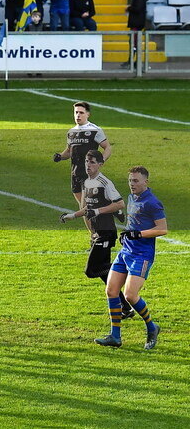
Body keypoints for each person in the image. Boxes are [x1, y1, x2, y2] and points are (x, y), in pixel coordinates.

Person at [94, 166, 166, 349]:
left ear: (145, 182)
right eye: (130, 180)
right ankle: (115, 337)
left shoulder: (153, 202)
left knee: (130, 295)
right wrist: (127, 234)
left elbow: (162, 229)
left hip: (142, 255)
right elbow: (133, 222)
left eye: (135, 181)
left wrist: (138, 235)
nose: (132, 184)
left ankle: (152, 327)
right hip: (126, 251)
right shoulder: (131, 197)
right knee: (111, 290)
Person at [60, 150, 134, 318]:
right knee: (102, 274)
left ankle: (121, 271)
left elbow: (120, 203)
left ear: (100, 164)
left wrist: (100, 211)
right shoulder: (87, 182)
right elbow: (87, 208)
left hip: (106, 232)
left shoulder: (105, 182)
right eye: (87, 161)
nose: (88, 165)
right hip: (97, 233)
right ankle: (126, 307)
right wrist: (71, 216)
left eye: (92, 162)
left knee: (91, 270)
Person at [53, 101, 113, 210]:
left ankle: (111, 209)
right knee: (83, 209)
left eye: (81, 112)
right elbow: (69, 151)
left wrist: (101, 161)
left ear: (88, 114)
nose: (78, 115)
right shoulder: (71, 132)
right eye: (76, 112)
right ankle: (109, 210)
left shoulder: (95, 130)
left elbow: (107, 147)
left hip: (88, 173)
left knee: (86, 208)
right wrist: (60, 156)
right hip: (75, 173)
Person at [125, 0, 148, 67]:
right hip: (137, 23)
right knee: (134, 43)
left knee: (134, 43)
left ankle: (134, 62)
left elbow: (137, 9)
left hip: (137, 23)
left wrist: (129, 8)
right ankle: (133, 61)